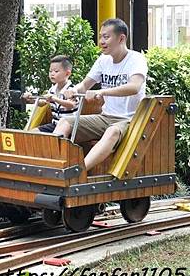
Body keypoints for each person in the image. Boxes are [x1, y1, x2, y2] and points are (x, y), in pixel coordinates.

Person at [53, 18, 148, 172]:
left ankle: (78, 172)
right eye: (100, 36)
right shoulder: (103, 60)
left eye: (106, 37)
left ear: (121, 38)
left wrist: (102, 91)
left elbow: (134, 87)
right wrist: (74, 91)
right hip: (105, 117)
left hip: (129, 120)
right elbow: (85, 85)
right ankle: (54, 167)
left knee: (112, 131)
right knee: (64, 122)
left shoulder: (136, 59)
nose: (101, 41)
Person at [22, 55, 78, 133]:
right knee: (32, 133)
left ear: (67, 74)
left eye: (56, 71)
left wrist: (54, 99)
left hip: (68, 126)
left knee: (55, 137)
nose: (52, 74)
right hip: (55, 124)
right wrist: (32, 99)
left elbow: (71, 105)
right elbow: (43, 102)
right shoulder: (52, 89)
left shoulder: (71, 89)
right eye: (50, 71)